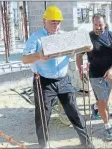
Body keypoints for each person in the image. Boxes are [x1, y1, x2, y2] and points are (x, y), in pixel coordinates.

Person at [22, 6, 94, 148]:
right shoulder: (36, 38)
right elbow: (24, 59)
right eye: (52, 23)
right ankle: (44, 145)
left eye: (58, 23)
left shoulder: (64, 37)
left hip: (63, 80)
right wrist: (38, 55)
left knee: (74, 112)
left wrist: (87, 48)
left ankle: (87, 143)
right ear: (44, 21)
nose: (56, 26)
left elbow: (81, 49)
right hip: (44, 81)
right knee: (43, 116)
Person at [76, 13, 112, 141]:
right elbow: (79, 56)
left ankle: (95, 107)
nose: (98, 27)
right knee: (103, 102)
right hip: (95, 75)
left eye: (100, 25)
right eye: (95, 25)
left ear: (105, 24)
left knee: (104, 100)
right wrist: (81, 69)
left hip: (109, 74)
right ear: (92, 24)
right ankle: (108, 128)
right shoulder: (88, 37)